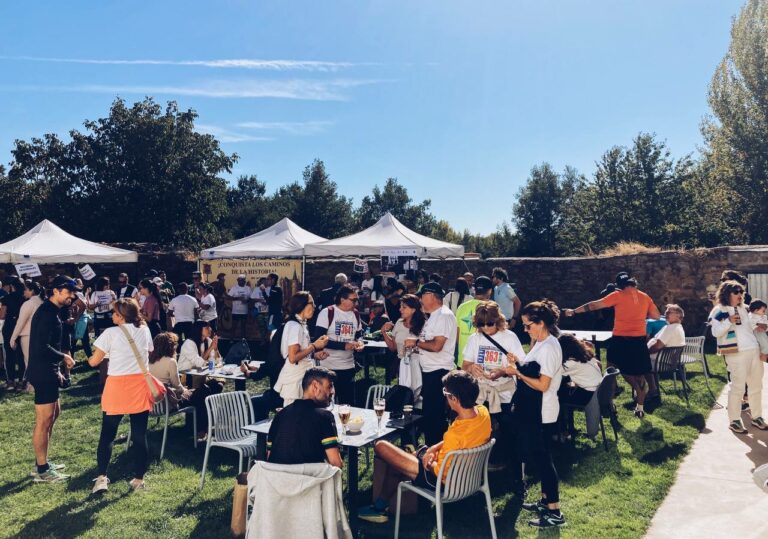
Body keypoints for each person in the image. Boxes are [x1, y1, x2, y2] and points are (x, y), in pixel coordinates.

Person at [358, 370, 491, 523]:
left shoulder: (455, 435)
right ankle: (380, 506)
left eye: (445, 393)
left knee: (381, 446)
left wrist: (427, 460)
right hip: (467, 477)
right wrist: (433, 450)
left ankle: (379, 507)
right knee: (407, 457)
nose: (445, 396)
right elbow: (458, 444)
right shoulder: (482, 412)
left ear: (454, 399)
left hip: (441, 482)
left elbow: (441, 470)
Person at [564, 272, 661, 418]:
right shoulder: (645, 296)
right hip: (639, 339)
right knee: (639, 373)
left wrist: (574, 311)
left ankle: (609, 401)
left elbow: (594, 305)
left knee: (611, 367)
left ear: (619, 286)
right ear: (632, 282)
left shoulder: (618, 295)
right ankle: (640, 407)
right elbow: (656, 316)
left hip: (621, 338)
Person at [88, 298, 154, 493]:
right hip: (139, 385)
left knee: (107, 434)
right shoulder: (145, 329)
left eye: (115, 313)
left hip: (117, 385)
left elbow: (93, 362)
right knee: (139, 435)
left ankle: (101, 478)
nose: (112, 315)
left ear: (121, 315)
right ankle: (139, 478)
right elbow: (148, 350)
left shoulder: (110, 333)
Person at [26, 275, 78, 482]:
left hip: (49, 370)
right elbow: (41, 347)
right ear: (56, 291)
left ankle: (43, 461)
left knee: (54, 414)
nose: (72, 296)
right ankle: (42, 470)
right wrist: (64, 357)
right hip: (42, 372)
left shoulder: (53, 311)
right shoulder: (47, 313)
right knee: (44, 420)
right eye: (68, 292)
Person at [709, 280, 766, 433]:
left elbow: (753, 325)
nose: (740, 295)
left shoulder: (746, 309)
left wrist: (761, 326)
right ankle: (734, 420)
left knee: (756, 386)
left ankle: (757, 416)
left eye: (741, 292)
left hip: (753, 350)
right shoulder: (719, 310)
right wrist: (728, 321)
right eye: (736, 292)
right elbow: (715, 332)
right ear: (727, 294)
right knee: (738, 388)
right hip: (736, 353)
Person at [148, 332, 222, 441]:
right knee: (202, 392)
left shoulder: (149, 361)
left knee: (202, 391)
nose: (176, 346)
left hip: (151, 404)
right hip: (168, 403)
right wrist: (185, 389)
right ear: (169, 346)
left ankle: (198, 428)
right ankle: (201, 430)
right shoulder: (170, 362)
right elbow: (177, 387)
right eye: (175, 344)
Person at [267, 366, 343, 467]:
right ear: (315, 386)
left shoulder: (280, 415)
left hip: (276, 479)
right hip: (309, 480)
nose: (333, 392)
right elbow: (336, 464)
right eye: (329, 386)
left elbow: (269, 456)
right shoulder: (324, 417)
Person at [412, 282, 458, 445]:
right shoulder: (435, 316)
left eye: (422, 296)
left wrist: (416, 343)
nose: (420, 301)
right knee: (430, 416)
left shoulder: (444, 315)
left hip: (438, 372)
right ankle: (433, 451)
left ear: (431, 296)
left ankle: (436, 452)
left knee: (434, 418)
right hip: (430, 371)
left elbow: (437, 346)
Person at [274, 292, 330, 406]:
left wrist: (314, 355)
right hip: (295, 379)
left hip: (303, 377)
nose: (314, 307)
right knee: (294, 416)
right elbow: (293, 357)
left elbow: (300, 352)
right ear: (301, 305)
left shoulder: (301, 325)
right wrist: (314, 346)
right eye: (312, 304)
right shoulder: (294, 326)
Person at [314, 284, 365, 405]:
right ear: (342, 299)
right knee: (326, 403)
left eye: (357, 300)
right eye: (354, 300)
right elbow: (318, 339)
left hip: (348, 366)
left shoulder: (355, 314)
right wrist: (344, 346)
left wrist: (360, 343)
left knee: (347, 404)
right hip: (328, 366)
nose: (356, 303)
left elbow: (359, 335)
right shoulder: (327, 312)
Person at [382, 294, 426, 404]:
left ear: (413, 309)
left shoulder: (424, 324)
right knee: (405, 397)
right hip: (403, 366)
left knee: (419, 398)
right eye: (401, 306)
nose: (400, 309)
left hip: (420, 367)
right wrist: (384, 332)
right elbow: (393, 347)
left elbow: (428, 347)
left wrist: (414, 345)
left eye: (404, 307)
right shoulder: (399, 323)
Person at [557, 334, 603, 434]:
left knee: (558, 397)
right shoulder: (585, 354)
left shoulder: (570, 363)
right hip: (598, 390)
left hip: (589, 395)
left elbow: (554, 373)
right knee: (564, 392)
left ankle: (563, 431)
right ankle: (568, 428)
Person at [10, 281, 45, 390]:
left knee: (29, 361)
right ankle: (37, 383)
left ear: (32, 291)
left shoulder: (28, 303)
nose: (23, 291)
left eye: (25, 289)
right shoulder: (42, 302)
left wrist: (13, 338)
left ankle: (32, 385)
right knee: (38, 360)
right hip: (40, 335)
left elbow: (20, 322)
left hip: (28, 336)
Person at [455, 276, 494, 367]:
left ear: (474, 289)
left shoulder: (462, 307)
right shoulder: (493, 308)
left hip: (463, 361)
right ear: (490, 291)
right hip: (484, 363)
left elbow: (457, 335)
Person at [1, 276, 25, 390]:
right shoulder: (26, 298)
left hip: (10, 327)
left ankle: (11, 381)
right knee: (21, 355)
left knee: (9, 355)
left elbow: (2, 315)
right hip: (22, 328)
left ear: (12, 286)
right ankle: (21, 381)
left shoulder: (7, 298)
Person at [228, 274, 251, 339]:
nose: (241, 281)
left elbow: (251, 299)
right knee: (234, 326)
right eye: (239, 280)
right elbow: (229, 297)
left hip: (244, 311)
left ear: (245, 281)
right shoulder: (234, 288)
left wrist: (246, 301)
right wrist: (238, 298)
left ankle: (243, 340)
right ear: (237, 280)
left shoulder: (248, 288)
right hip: (235, 311)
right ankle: (232, 339)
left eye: (242, 280)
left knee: (243, 326)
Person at [250, 277, 269, 342]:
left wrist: (267, 301)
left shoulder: (269, 289)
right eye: (262, 281)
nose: (264, 283)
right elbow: (252, 299)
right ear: (260, 282)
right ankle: (262, 339)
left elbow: (271, 299)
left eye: (265, 281)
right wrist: (259, 300)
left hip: (267, 310)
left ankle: (267, 339)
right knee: (261, 325)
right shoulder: (256, 289)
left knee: (267, 325)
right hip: (259, 310)